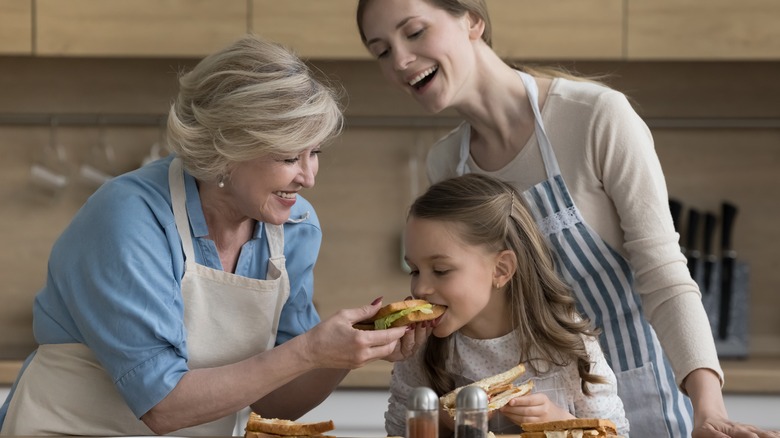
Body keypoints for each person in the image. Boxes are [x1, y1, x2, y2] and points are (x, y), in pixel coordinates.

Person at [357, 1, 780, 437]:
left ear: (473, 21)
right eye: (381, 50)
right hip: (531, 401)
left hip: (640, 385)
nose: (400, 61)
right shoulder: (448, 162)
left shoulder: (595, 117)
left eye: (414, 32)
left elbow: (664, 274)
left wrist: (708, 410)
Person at [0, 34, 419, 436]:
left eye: (315, 153)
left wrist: (345, 353)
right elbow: (162, 407)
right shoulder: (129, 218)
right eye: (290, 156)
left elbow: (274, 402)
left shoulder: (295, 227)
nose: (308, 178)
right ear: (225, 150)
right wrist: (309, 350)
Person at [387, 173, 629, 436]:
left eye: (441, 270)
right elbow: (398, 430)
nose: (421, 288)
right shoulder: (419, 349)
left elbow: (616, 433)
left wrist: (559, 422)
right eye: (414, 271)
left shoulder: (566, 342)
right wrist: (440, 422)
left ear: (501, 269)